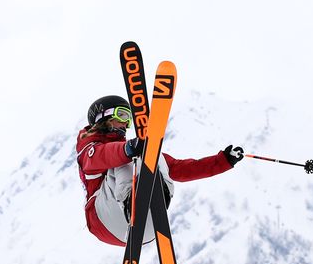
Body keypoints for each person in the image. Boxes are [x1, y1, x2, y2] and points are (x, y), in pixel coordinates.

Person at [76, 95, 244, 246]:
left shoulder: (129, 149)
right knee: (127, 159)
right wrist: (128, 149)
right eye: (123, 115)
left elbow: (180, 168)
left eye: (129, 119)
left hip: (147, 231)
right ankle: (132, 203)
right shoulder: (89, 150)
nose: (126, 124)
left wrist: (223, 161)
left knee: (153, 153)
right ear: (103, 117)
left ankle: (157, 199)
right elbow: (102, 156)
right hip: (103, 220)